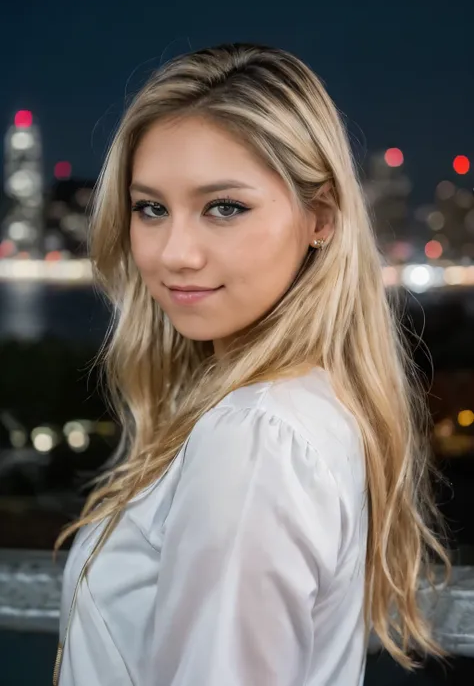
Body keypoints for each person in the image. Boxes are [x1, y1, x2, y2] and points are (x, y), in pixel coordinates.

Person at [53, 42, 449, 686]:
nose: (175, 253)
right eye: (150, 208)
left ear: (319, 217)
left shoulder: (258, 436)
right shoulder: (301, 407)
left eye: (224, 208)